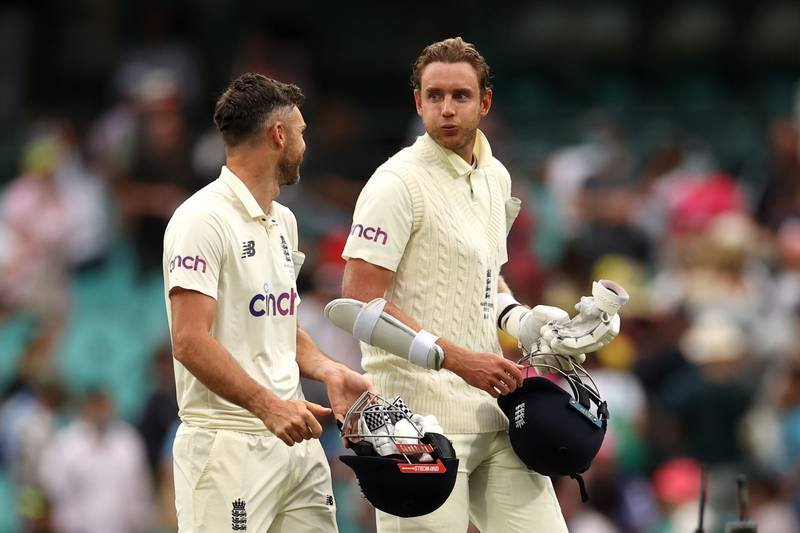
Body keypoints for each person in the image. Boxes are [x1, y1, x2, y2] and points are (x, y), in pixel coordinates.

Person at [341, 37, 575, 532]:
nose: (447, 109)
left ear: (484, 102)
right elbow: (358, 301)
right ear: (418, 102)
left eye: (461, 96)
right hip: (413, 420)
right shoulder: (394, 183)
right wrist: (458, 359)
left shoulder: (495, 178)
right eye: (435, 96)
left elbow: (487, 283)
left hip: (491, 408)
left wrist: (526, 321)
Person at [163, 73, 373, 532]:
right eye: (301, 132)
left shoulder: (285, 221)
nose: (303, 143)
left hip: (295, 440)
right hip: (228, 446)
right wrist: (268, 406)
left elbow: (277, 323)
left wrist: (327, 368)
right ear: (278, 135)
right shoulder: (201, 220)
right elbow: (188, 341)